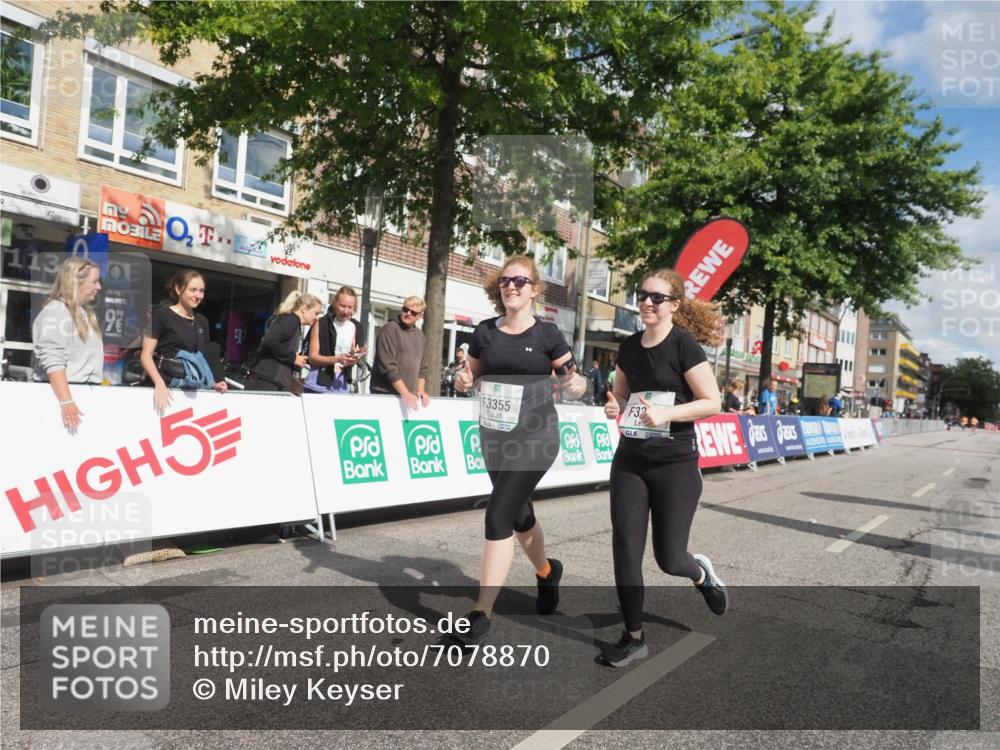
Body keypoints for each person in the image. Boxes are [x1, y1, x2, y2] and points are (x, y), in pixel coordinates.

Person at [453, 255, 587, 643]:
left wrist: (576, 386)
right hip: (494, 438)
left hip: (536, 437)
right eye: (506, 281)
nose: (511, 286)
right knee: (519, 515)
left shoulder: (547, 335)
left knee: (498, 515)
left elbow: (572, 378)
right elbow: (470, 375)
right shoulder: (484, 332)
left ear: (534, 289)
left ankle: (480, 613)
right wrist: (463, 379)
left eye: (520, 281)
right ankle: (547, 571)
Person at [602, 267, 727, 668]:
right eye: (643, 295)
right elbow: (622, 395)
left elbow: (712, 401)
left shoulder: (683, 345)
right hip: (631, 459)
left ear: (674, 305)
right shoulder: (629, 347)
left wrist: (668, 412)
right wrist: (614, 407)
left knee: (669, 559)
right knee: (625, 549)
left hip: (675, 462)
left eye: (657, 297)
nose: (648, 303)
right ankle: (633, 637)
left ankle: (702, 575)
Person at [140, 270, 227, 412]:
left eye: (201, 291)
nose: (198, 296)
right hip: (167, 389)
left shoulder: (202, 321)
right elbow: (145, 355)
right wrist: (159, 384)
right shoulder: (161, 315)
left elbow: (201, 360)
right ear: (178, 289)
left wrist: (213, 383)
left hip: (194, 392)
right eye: (193, 290)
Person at [31, 257, 103, 429]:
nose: (99, 287)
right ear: (76, 282)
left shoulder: (83, 312)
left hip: (81, 394)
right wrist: (66, 401)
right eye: (94, 282)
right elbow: (53, 359)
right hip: (63, 400)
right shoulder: (56, 311)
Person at [245, 291, 322, 392]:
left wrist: (296, 361)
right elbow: (269, 341)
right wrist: (293, 358)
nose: (316, 318)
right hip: (266, 381)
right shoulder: (290, 320)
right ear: (304, 309)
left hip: (272, 381)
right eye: (316, 313)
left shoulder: (293, 322)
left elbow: (278, 348)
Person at [370, 295, 430, 410]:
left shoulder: (420, 336)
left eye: (413, 312)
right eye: (405, 309)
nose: (408, 313)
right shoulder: (390, 329)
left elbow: (423, 368)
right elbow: (388, 368)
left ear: (420, 316)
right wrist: (405, 394)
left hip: (408, 398)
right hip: (385, 395)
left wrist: (420, 391)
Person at [305, 286, 368, 393]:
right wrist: (337, 359)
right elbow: (312, 357)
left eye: (350, 307)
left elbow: (351, 360)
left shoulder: (356, 327)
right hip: (318, 381)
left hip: (341, 384)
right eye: (342, 306)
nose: (346, 311)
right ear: (335, 303)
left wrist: (356, 357)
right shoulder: (322, 323)